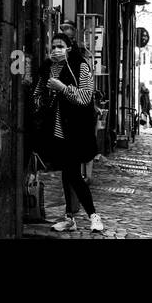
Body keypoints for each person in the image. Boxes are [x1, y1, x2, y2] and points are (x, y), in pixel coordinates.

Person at [30, 32, 103, 233]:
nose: (56, 50)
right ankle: (72, 217)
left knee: (72, 173)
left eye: (60, 46)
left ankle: (93, 216)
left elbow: (86, 97)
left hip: (76, 129)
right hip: (54, 130)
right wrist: (43, 101)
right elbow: (36, 94)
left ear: (69, 48)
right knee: (68, 172)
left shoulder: (80, 66)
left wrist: (62, 88)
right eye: (53, 46)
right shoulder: (47, 67)